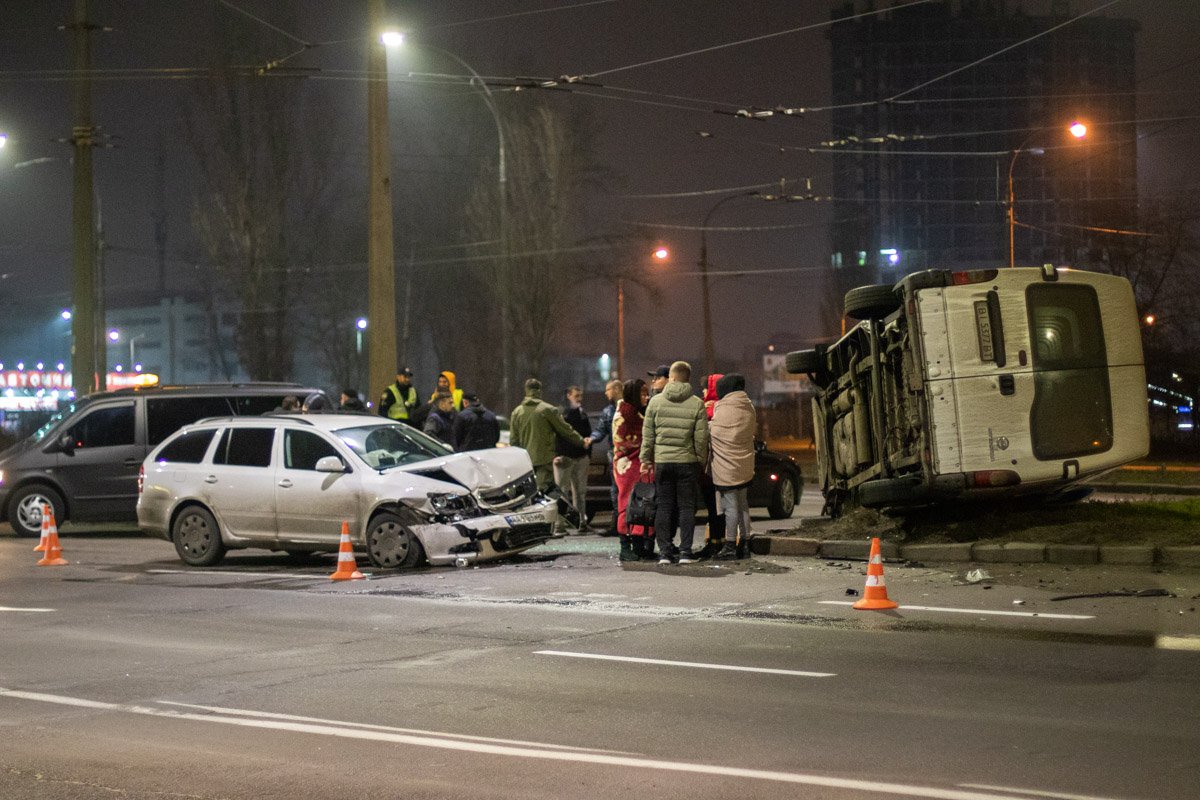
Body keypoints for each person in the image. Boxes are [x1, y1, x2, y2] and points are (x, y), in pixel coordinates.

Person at [639, 361, 708, 565]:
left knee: (664, 507)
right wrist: (700, 460)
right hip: (687, 462)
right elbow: (701, 438)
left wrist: (645, 458)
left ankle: (665, 554)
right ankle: (686, 552)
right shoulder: (697, 403)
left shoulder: (656, 402)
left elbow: (648, 434)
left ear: (672, 377)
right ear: (687, 378)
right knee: (687, 507)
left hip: (663, 461)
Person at [509, 378, 589, 493]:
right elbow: (565, 430)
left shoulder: (517, 412)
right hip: (544, 460)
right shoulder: (548, 410)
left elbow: (513, 440)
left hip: (525, 462)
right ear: (539, 391)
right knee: (545, 493)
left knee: (528, 494)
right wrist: (581, 441)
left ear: (526, 390)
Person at [709, 373, 756, 560]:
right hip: (744, 463)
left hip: (726, 465)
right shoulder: (748, 406)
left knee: (730, 507)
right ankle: (745, 543)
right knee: (743, 504)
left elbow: (717, 430)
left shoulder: (724, 408)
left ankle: (730, 545)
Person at [613, 378, 653, 562]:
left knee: (640, 505)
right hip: (627, 467)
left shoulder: (635, 413)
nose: (647, 397)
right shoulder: (624, 415)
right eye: (643, 393)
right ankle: (625, 546)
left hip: (638, 466)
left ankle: (637, 545)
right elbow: (621, 441)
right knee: (627, 504)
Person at [696, 373, 728, 559]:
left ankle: (716, 543)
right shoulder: (721, 407)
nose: (703, 392)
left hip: (711, 467)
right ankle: (718, 541)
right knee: (719, 508)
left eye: (706, 388)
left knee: (715, 508)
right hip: (720, 466)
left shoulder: (711, 409)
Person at [553, 385, 593, 533]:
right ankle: (560, 524)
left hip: (578, 456)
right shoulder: (562, 413)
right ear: (569, 395)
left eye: (580, 396)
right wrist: (556, 454)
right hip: (566, 457)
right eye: (577, 396)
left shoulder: (579, 413)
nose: (579, 399)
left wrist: (587, 454)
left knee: (579, 492)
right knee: (564, 491)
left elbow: (587, 434)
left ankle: (580, 522)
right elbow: (557, 435)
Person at [590, 379, 624, 535]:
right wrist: (590, 439)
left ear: (617, 389)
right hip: (615, 456)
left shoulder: (628, 407)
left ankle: (627, 524)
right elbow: (600, 430)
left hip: (628, 455)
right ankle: (618, 525)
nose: (605, 393)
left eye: (608, 390)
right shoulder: (608, 411)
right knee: (616, 490)